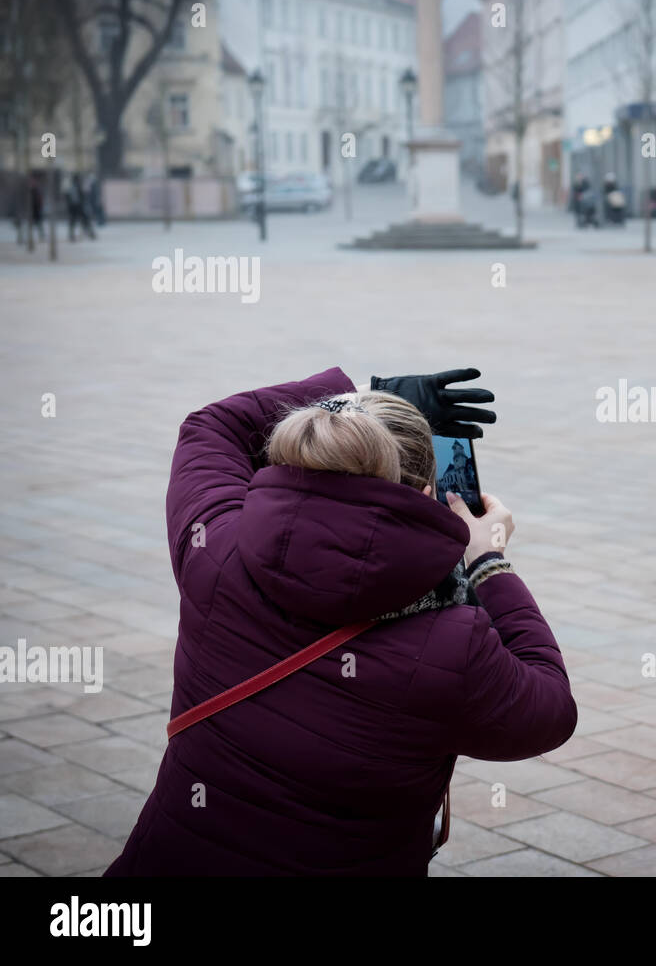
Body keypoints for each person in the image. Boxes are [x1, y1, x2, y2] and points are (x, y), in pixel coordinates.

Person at [103, 367, 577, 875]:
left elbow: (212, 426)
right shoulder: (453, 646)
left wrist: (355, 402)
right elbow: (549, 709)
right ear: (423, 494)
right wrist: (489, 561)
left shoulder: (214, 552)